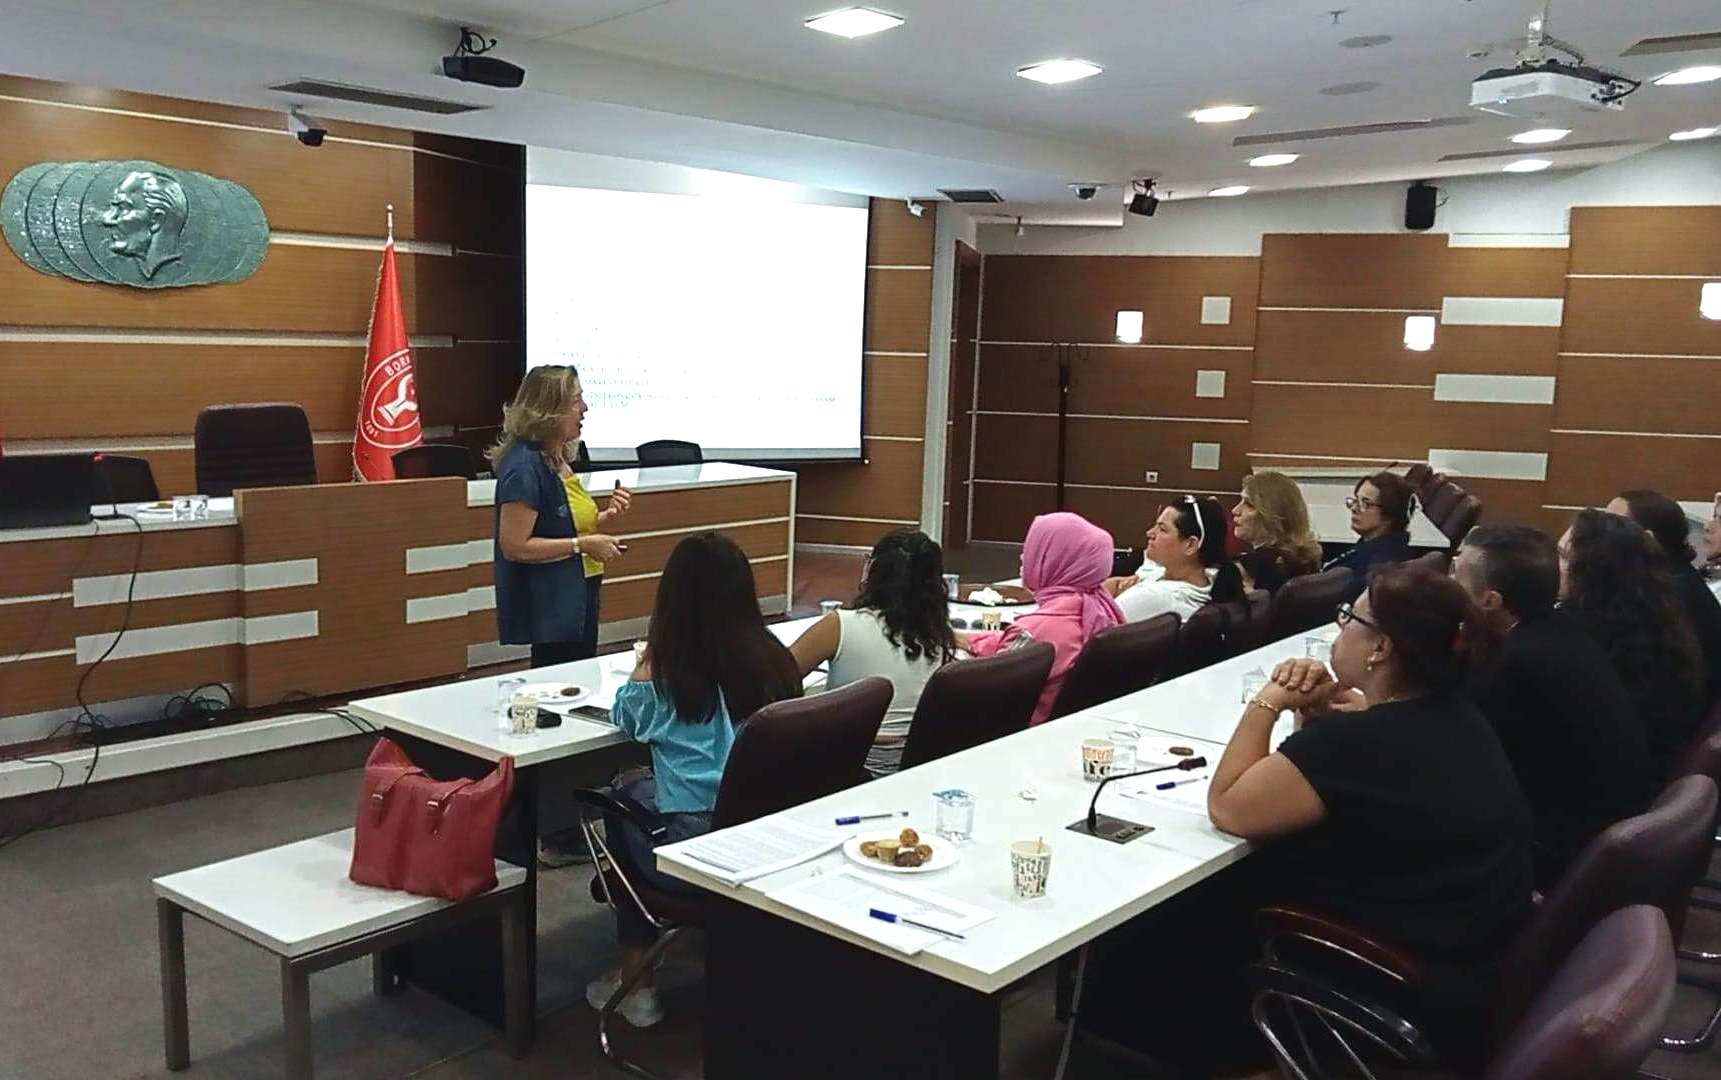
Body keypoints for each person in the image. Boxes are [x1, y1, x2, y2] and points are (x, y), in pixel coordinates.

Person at [1204, 562, 1532, 1068]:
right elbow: (1346, 777)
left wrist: (1269, 701)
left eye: (1349, 618)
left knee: (1204, 907)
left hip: (1393, 982)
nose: (1340, 630)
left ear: (1382, 648)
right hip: (1470, 968)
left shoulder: (1359, 743)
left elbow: (1228, 805)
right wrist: (1314, 722)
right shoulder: (1457, 715)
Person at [586, 532, 803, 1028]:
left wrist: (648, 656)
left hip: (696, 849)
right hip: (768, 839)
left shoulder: (667, 673)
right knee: (641, 788)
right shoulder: (777, 662)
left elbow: (628, 719)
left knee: (621, 802)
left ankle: (636, 985)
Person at [1452, 525, 1653, 888]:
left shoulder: (1515, 663)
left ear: (1490, 601)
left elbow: (1456, 759)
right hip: (1599, 828)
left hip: (1554, 856)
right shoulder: (1561, 631)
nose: (1448, 584)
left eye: (1457, 576)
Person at [488, 364, 630, 669]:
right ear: (551, 409)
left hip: (578, 589)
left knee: (580, 675)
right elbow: (514, 545)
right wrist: (583, 545)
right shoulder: (524, 468)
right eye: (577, 401)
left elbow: (562, 523)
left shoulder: (556, 457)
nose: (585, 409)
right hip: (552, 600)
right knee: (559, 682)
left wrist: (606, 516)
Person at [790, 529, 955, 776]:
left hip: (842, 767)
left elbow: (775, 677)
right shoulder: (938, 635)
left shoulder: (841, 625)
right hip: (913, 768)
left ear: (872, 572)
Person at [1559, 508, 1705, 780]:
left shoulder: (1589, 637)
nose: (1550, 564)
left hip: (1605, 784)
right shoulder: (1656, 616)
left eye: (1563, 557)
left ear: (1593, 571)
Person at [959, 512, 1122, 727]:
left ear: (1055, 561)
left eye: (1033, 551)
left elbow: (988, 687)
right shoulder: (1102, 610)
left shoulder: (1036, 631)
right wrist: (963, 639)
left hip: (1011, 734)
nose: (1023, 557)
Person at [1608, 489, 1721, 704]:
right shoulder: (1670, 578)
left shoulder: (1667, 594)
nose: (1707, 525)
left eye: (1613, 525)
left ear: (1644, 539)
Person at [1103, 495, 1245, 622]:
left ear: (1190, 545)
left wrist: (1109, 590)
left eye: (1163, 529)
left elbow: (1089, 623)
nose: (1149, 533)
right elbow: (1114, 585)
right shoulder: (1209, 578)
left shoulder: (1157, 597)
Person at [1322, 470, 1416, 597]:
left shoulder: (1380, 566)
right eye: (1356, 500)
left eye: (1366, 504)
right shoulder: (1372, 542)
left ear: (1390, 514)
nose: (1354, 508)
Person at [1231, 470, 1322, 592]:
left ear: (1272, 516)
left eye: (1249, 504)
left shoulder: (1245, 570)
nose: (1235, 510)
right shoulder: (1304, 561)